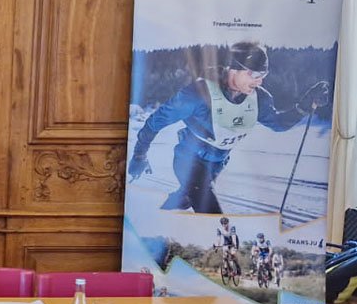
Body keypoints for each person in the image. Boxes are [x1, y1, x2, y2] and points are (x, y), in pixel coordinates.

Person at [127, 41, 330, 213]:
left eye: (264, 74)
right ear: (234, 68)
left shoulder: (260, 99)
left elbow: (278, 124)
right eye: (254, 73)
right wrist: (139, 156)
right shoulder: (198, 95)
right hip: (188, 159)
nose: (260, 80)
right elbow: (156, 122)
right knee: (210, 211)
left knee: (189, 197)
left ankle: (159, 214)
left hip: (216, 165)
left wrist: (304, 106)